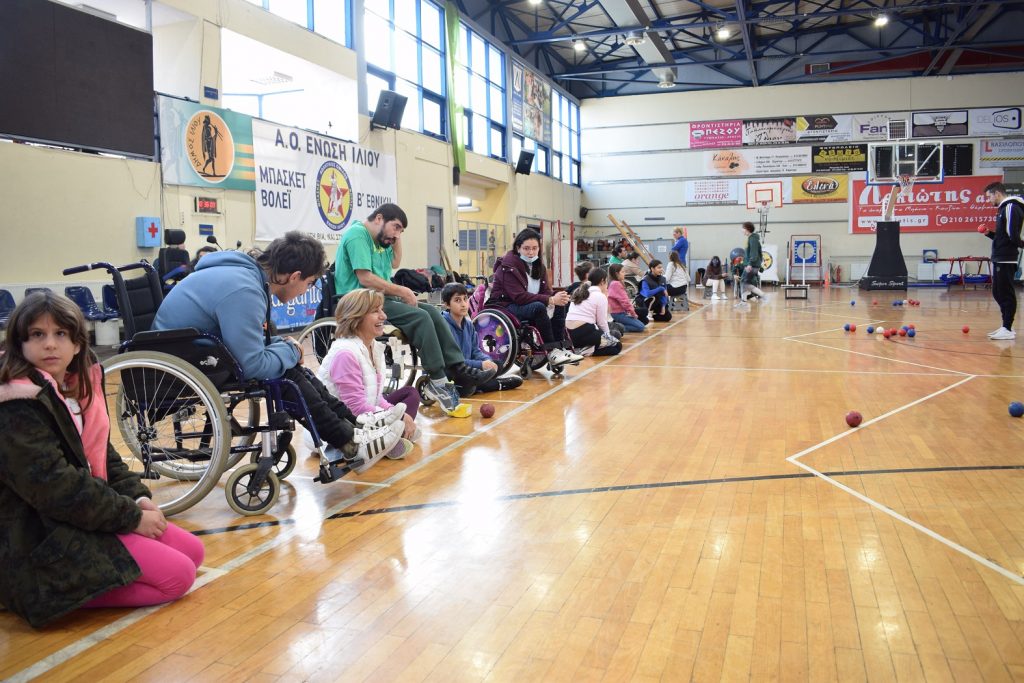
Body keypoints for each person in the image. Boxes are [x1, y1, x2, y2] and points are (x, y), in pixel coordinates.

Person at [0, 292, 205, 628]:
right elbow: (56, 488)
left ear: (78, 344)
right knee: (177, 578)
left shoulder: (73, 387)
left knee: (194, 553)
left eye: (60, 334)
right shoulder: (15, 401)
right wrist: (129, 518)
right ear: (20, 344)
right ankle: (42, 595)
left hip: (79, 512)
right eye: (37, 335)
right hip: (36, 531)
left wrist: (139, 500)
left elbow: (106, 458)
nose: (50, 344)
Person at [154, 231, 405, 472]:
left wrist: (284, 349)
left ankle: (354, 424)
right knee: (286, 376)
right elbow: (253, 364)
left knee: (293, 369)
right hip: (182, 362)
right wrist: (291, 351)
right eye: (308, 284)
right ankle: (349, 441)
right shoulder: (245, 289)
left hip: (194, 350)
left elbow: (250, 340)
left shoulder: (244, 276)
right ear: (294, 276)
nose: (305, 291)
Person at [334, 204, 494, 416]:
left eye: (401, 231)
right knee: (420, 317)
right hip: (359, 300)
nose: (397, 234)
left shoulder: (380, 241)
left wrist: (395, 236)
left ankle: (458, 368)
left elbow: (395, 262)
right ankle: (437, 379)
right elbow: (365, 278)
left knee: (434, 312)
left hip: (379, 298)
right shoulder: (358, 235)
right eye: (396, 227)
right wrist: (401, 290)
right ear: (379, 218)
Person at [315, 289, 419, 461]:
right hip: (342, 425)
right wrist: (397, 417)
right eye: (375, 311)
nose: (383, 316)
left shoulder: (374, 347)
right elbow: (354, 409)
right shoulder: (345, 353)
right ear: (356, 317)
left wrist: (398, 416)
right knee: (401, 418)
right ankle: (385, 442)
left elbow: (376, 399)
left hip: (366, 415)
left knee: (411, 394)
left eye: (382, 310)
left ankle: (390, 439)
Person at [486, 228, 584, 369]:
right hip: (506, 305)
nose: (531, 252)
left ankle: (560, 348)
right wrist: (549, 300)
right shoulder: (507, 267)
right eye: (526, 249)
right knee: (538, 307)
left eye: (534, 248)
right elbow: (518, 297)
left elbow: (544, 291)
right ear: (518, 248)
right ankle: (551, 352)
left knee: (560, 303)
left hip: (527, 303)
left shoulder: (539, 266)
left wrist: (556, 297)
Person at [440, 283, 524, 396]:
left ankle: (483, 383)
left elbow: (476, 351)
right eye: (457, 300)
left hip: (469, 368)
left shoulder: (469, 325)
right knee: (466, 388)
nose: (464, 304)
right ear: (447, 305)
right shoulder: (444, 325)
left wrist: (487, 361)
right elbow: (454, 362)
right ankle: (497, 384)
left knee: (497, 364)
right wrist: (481, 365)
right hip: (453, 370)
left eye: (465, 299)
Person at [981, 182, 1024, 340]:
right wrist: (989, 234)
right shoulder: (1003, 209)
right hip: (1001, 256)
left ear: (997, 193)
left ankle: (1007, 328)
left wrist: (1020, 245)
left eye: (989, 197)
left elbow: (1013, 235)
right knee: (998, 292)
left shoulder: (1011, 207)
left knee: (1005, 293)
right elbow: (1004, 236)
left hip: (1007, 258)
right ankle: (1006, 326)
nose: (989, 200)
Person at [566, 268, 622, 356]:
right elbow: (601, 322)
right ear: (602, 281)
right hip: (585, 330)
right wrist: (608, 337)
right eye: (607, 281)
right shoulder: (599, 296)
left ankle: (583, 348)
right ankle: (584, 350)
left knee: (613, 336)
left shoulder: (579, 292)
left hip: (568, 333)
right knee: (617, 346)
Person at [607, 264, 646, 332]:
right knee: (641, 327)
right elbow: (625, 302)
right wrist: (633, 314)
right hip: (619, 313)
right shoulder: (616, 284)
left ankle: (618, 325)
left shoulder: (614, 283)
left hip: (620, 312)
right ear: (617, 274)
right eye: (622, 272)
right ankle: (615, 328)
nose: (624, 274)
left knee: (645, 321)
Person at [738, 221, 767, 305]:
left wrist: (750, 264)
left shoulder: (753, 239)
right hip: (752, 265)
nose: (741, 230)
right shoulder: (751, 238)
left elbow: (754, 254)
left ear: (747, 229)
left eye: (743, 228)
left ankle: (763, 296)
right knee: (744, 283)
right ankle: (744, 302)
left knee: (744, 282)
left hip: (752, 265)